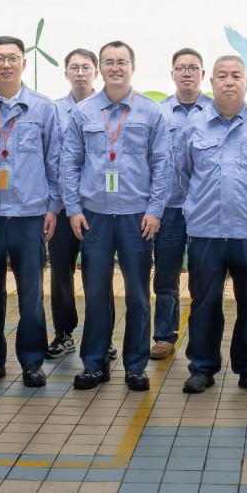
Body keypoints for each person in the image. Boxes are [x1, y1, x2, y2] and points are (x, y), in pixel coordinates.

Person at [61, 41, 172, 392]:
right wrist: (73, 209)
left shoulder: (151, 112)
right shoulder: (83, 113)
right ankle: (94, 364)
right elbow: (69, 162)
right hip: (94, 217)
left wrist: (155, 211)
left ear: (133, 67)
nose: (115, 67)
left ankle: (135, 366)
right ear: (100, 69)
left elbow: (163, 164)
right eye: (108, 62)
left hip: (136, 217)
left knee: (138, 294)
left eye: (122, 61)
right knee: (96, 293)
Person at [174, 56, 247, 395]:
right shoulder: (193, 126)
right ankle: (202, 368)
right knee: (204, 303)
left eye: (236, 75)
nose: (229, 81)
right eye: (222, 76)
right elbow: (182, 174)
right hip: (206, 231)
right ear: (212, 82)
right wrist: (199, 205)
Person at [0, 36, 62, 389]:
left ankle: (32, 362)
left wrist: (53, 206)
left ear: (24, 62)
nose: (6, 64)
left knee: (31, 294)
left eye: (13, 58)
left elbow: (55, 161)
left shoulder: (43, 108)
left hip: (30, 214)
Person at [46, 48, 105, 361]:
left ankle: (101, 337)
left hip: (96, 207)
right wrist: (52, 206)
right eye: (74, 67)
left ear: (96, 71)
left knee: (97, 275)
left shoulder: (107, 108)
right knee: (60, 273)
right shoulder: (53, 110)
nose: (80, 73)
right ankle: (64, 333)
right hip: (62, 208)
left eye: (86, 67)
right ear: (66, 73)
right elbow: (49, 160)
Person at [152, 49, 210, 361]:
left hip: (205, 208)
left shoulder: (216, 110)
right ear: (172, 74)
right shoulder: (158, 112)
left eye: (193, 68)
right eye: (181, 68)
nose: (187, 73)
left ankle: (202, 338)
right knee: (166, 275)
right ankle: (164, 336)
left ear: (203, 74)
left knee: (203, 277)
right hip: (169, 208)